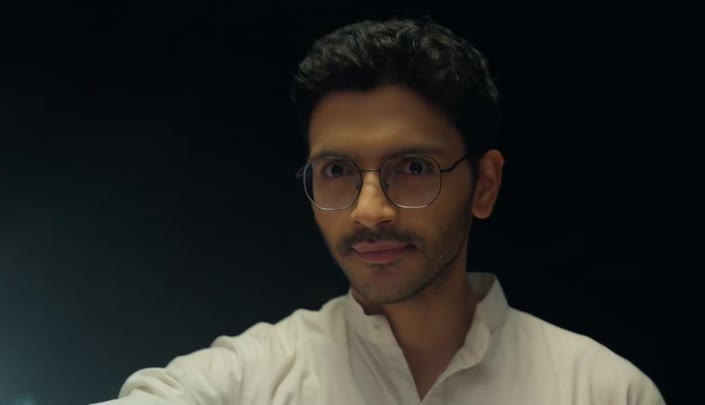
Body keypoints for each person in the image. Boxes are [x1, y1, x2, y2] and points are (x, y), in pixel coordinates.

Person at [95, 17, 665, 405]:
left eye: (412, 167)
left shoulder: (603, 391)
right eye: (337, 171)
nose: (369, 212)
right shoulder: (250, 380)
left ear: (485, 185)